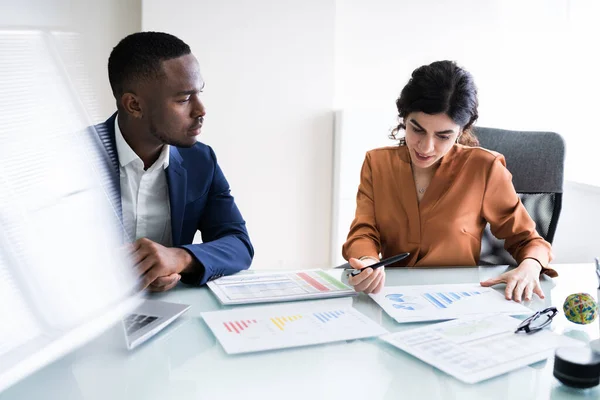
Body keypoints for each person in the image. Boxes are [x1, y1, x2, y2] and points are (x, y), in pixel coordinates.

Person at [342, 60, 555, 302]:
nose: (426, 147)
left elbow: (528, 241)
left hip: (458, 301)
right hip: (391, 297)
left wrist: (530, 266)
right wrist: (368, 261)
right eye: (417, 129)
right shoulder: (377, 164)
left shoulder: (484, 168)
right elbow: (363, 232)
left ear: (461, 130)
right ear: (404, 118)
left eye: (443, 136)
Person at [95, 31, 253, 292]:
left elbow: (238, 244)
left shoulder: (200, 160)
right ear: (134, 105)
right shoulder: (70, 158)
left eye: (199, 93)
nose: (200, 110)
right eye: (183, 99)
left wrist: (179, 258)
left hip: (170, 312)